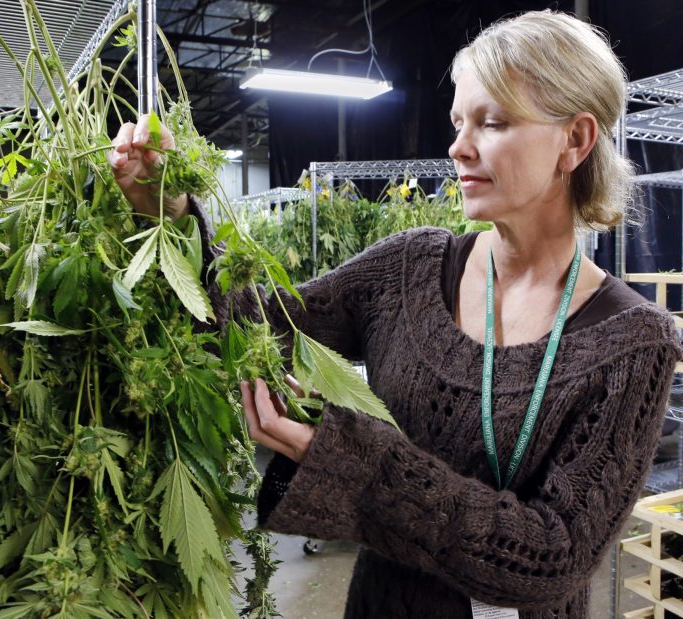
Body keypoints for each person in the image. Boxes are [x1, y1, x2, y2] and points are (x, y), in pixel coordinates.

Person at [109, 10, 682, 618]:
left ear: (575, 139)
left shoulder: (632, 343)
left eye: (493, 123)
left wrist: (351, 458)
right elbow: (260, 325)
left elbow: (552, 557)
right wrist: (171, 215)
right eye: (459, 121)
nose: (458, 148)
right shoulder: (408, 270)